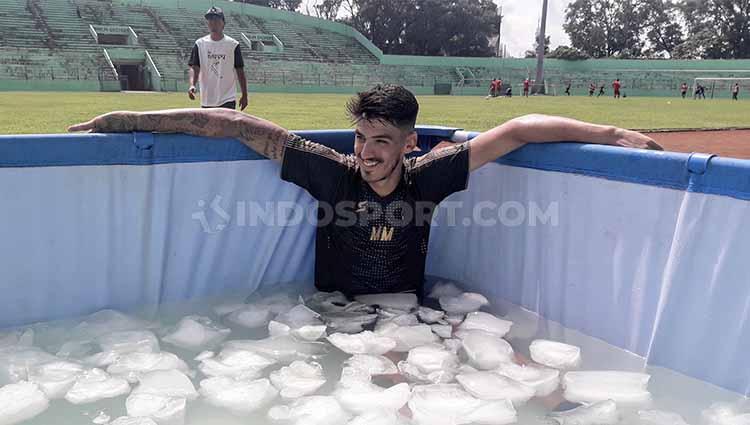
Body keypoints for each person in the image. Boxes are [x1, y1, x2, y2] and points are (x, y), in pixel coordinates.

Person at [68, 84, 662, 298]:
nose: (366, 151)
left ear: (409, 144)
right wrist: (122, 119)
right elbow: (237, 125)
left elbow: (517, 131)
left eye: (381, 140)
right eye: (360, 137)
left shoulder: (432, 177)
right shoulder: (332, 173)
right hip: (338, 316)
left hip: (410, 313)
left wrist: (612, 132)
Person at [188, 7, 248, 110]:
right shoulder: (200, 44)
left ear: (223, 23)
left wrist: (245, 95)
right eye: (210, 19)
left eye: (216, 19)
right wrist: (192, 85)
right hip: (207, 99)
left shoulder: (233, 45)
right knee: (208, 127)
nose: (212, 22)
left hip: (227, 98)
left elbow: (240, 71)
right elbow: (194, 67)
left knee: (227, 126)